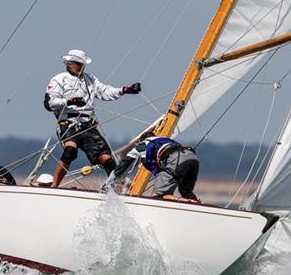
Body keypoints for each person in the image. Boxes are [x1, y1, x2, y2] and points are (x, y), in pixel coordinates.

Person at [44, 49, 141, 188]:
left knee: (107, 159)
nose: (81, 67)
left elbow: (105, 91)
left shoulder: (90, 79)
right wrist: (69, 101)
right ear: (69, 63)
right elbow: (49, 103)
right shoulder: (59, 79)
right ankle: (55, 185)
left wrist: (125, 90)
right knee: (70, 152)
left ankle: (113, 189)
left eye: (82, 64)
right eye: (78, 64)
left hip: (88, 125)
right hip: (68, 123)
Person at [105, 136, 202, 203]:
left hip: (176, 157)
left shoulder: (142, 146)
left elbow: (122, 167)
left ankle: (186, 202)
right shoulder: (164, 140)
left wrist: (107, 185)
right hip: (193, 157)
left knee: (159, 195)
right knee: (186, 192)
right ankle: (199, 205)